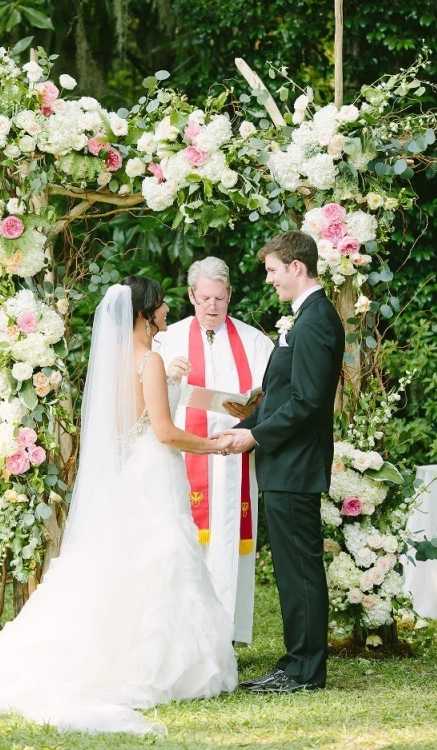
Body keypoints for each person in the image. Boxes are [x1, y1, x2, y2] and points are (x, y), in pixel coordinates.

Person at [0, 277, 237, 735]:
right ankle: (151, 661)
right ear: (145, 315)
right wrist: (215, 446)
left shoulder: (120, 365)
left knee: (133, 565)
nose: (166, 312)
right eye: (160, 306)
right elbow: (164, 431)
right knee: (160, 559)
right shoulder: (152, 360)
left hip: (133, 473)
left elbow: (131, 426)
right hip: (155, 471)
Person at [219, 232, 344, 693]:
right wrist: (249, 420)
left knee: (300, 571)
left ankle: (303, 672)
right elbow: (288, 395)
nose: (269, 279)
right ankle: (296, 664)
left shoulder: (314, 321)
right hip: (287, 461)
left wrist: (255, 435)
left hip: (295, 463)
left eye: (273, 269)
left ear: (296, 267)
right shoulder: (306, 317)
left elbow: (309, 400)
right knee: (294, 570)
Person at [156, 257, 273, 645]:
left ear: (229, 297)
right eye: (204, 298)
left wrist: (253, 409)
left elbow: (268, 398)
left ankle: (227, 635)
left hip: (237, 460)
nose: (211, 306)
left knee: (229, 543)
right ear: (191, 295)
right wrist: (169, 377)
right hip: (184, 458)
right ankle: (186, 636)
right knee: (185, 542)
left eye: (219, 299)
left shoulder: (255, 342)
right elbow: (150, 406)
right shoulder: (166, 340)